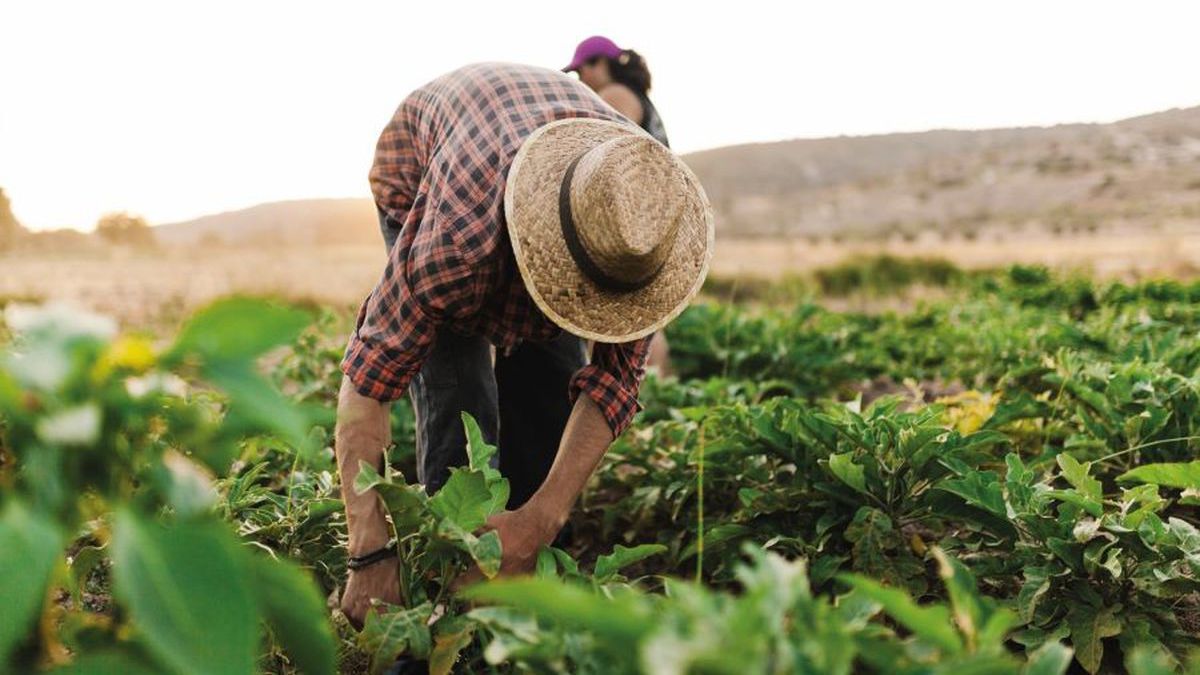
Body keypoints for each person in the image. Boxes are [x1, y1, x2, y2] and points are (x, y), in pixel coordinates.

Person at [335, 62, 713, 628]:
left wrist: (538, 521)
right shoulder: (454, 244)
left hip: (532, 165)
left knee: (547, 399)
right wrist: (370, 552)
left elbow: (610, 390)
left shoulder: (639, 239)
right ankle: (445, 598)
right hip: (419, 172)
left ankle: (514, 580)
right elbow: (367, 384)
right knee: (460, 398)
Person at [564, 36, 674, 373]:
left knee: (612, 312)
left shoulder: (614, 96)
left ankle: (627, 385)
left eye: (581, 70)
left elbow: (604, 152)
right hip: (654, 212)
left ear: (599, 64)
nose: (580, 80)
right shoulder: (640, 98)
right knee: (642, 310)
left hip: (628, 214)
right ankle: (655, 388)